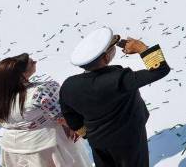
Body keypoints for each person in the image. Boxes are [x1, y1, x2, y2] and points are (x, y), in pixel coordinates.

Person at [59, 27, 171, 167]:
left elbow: (71, 117)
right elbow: (160, 70)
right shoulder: (119, 79)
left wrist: (88, 134)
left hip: (98, 142)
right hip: (129, 140)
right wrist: (141, 48)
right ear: (106, 57)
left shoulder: (69, 85)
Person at [0, 53, 92, 167]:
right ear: (21, 75)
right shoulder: (41, 91)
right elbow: (64, 117)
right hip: (48, 148)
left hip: (12, 150)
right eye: (31, 62)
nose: (35, 62)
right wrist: (82, 131)